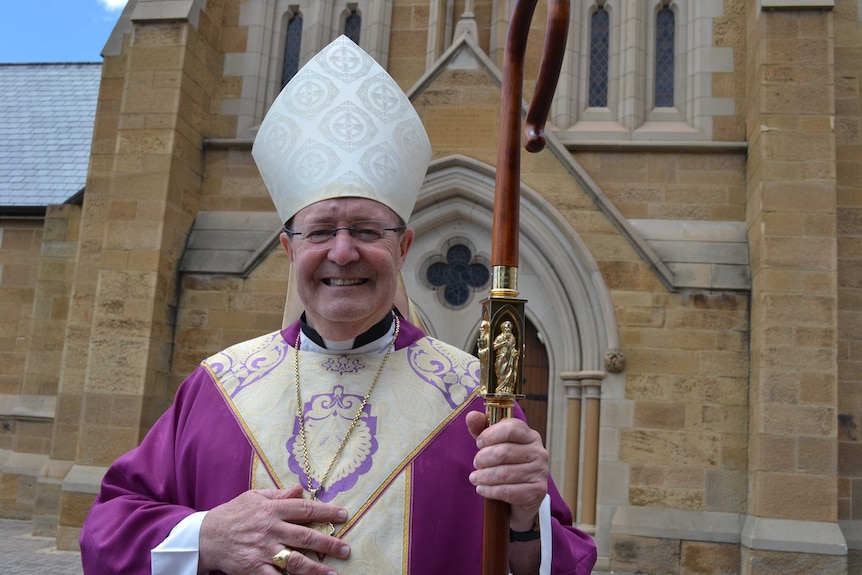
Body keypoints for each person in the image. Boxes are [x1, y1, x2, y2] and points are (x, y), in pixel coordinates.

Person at [80, 36, 597, 575]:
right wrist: (207, 536)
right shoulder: (217, 388)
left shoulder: (475, 397)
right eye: (321, 230)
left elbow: (554, 562)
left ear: (403, 247)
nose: (344, 252)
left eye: (368, 231)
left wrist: (524, 518)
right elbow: (107, 530)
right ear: (289, 249)